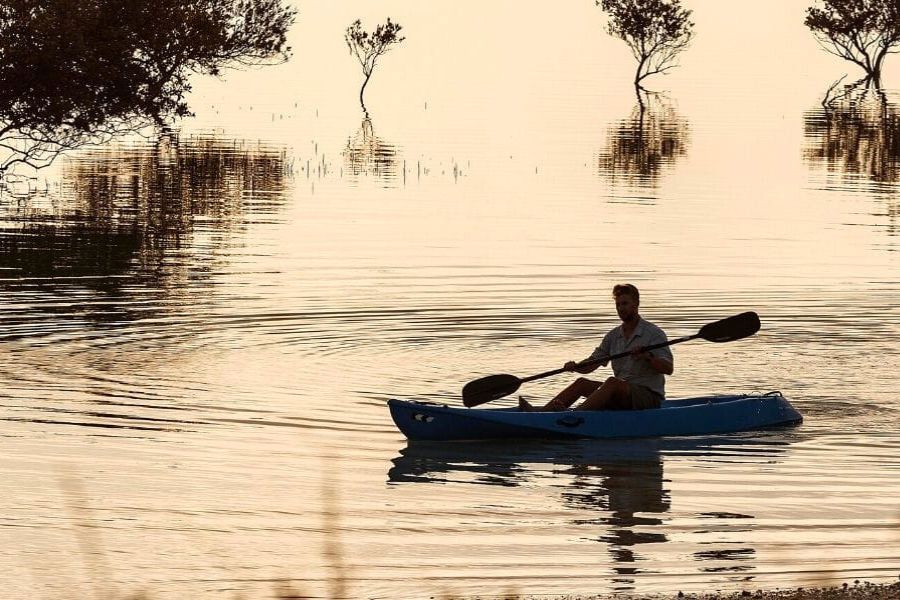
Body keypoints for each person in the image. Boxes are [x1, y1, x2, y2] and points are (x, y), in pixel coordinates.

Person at [519, 283, 673, 412]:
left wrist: (648, 357)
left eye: (625, 303)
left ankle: (574, 416)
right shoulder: (613, 336)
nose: (621, 308)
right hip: (622, 394)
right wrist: (576, 366)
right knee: (581, 383)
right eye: (618, 304)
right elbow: (593, 362)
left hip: (648, 398)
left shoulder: (654, 333)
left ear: (636, 304)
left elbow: (668, 368)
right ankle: (542, 414)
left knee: (612, 382)